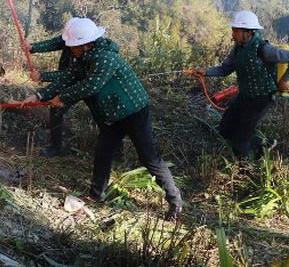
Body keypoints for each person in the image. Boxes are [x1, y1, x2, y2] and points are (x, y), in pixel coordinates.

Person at [23, 18, 182, 220]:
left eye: (73, 47)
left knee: (149, 157)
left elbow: (91, 86)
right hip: (111, 116)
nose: (70, 50)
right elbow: (67, 77)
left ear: (85, 44)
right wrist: (39, 96)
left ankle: (175, 200)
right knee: (103, 152)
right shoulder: (82, 59)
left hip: (134, 112)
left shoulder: (105, 58)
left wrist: (62, 97)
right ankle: (96, 195)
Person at [187, 10, 289, 159]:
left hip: (261, 98)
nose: (233, 34)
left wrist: (284, 79)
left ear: (248, 32)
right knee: (225, 129)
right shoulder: (238, 49)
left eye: (235, 30)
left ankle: (245, 168)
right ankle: (263, 143)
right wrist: (205, 72)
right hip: (245, 95)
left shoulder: (264, 50)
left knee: (238, 142)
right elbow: (225, 69)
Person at [21, 17, 78, 157]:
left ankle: (114, 154)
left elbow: (69, 74)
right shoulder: (71, 39)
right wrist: (32, 47)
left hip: (83, 84)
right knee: (56, 109)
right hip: (69, 80)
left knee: (103, 117)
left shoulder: (85, 54)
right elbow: (54, 43)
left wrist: (43, 77)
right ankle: (56, 146)